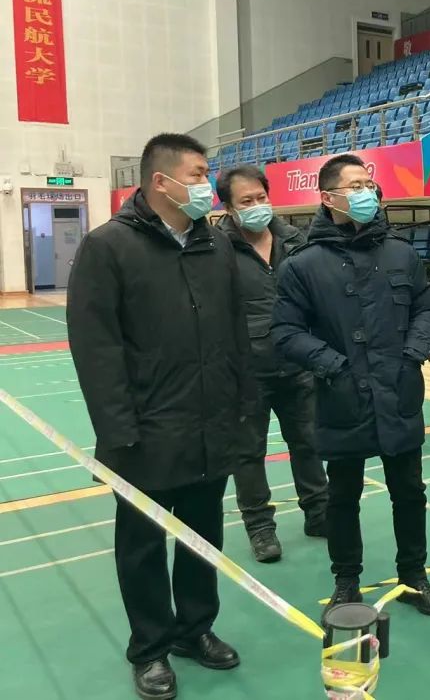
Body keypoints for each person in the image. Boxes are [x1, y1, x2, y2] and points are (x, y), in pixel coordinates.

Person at [67, 133, 253, 700]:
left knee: (202, 538)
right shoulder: (108, 247)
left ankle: (195, 630)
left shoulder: (215, 245)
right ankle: (150, 648)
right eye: (197, 174)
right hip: (144, 435)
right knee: (143, 546)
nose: (207, 184)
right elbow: (96, 350)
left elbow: (235, 333)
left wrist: (240, 409)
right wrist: (119, 433)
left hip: (210, 426)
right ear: (160, 182)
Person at [271, 153, 430, 617]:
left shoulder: (401, 253)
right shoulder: (302, 266)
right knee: (342, 496)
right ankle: (346, 581)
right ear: (328, 198)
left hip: (398, 392)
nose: (367, 192)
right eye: (355, 186)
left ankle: (414, 576)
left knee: (409, 492)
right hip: (342, 396)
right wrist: (333, 366)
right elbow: (286, 331)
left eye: (369, 184)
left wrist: (413, 353)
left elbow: (425, 308)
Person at [217, 165, 329, 563]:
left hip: (298, 365)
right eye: (246, 201)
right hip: (246, 373)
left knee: (309, 442)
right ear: (229, 208)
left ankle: (319, 512)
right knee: (248, 453)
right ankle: (260, 527)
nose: (257, 206)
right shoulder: (215, 249)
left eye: (261, 197)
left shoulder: (295, 240)